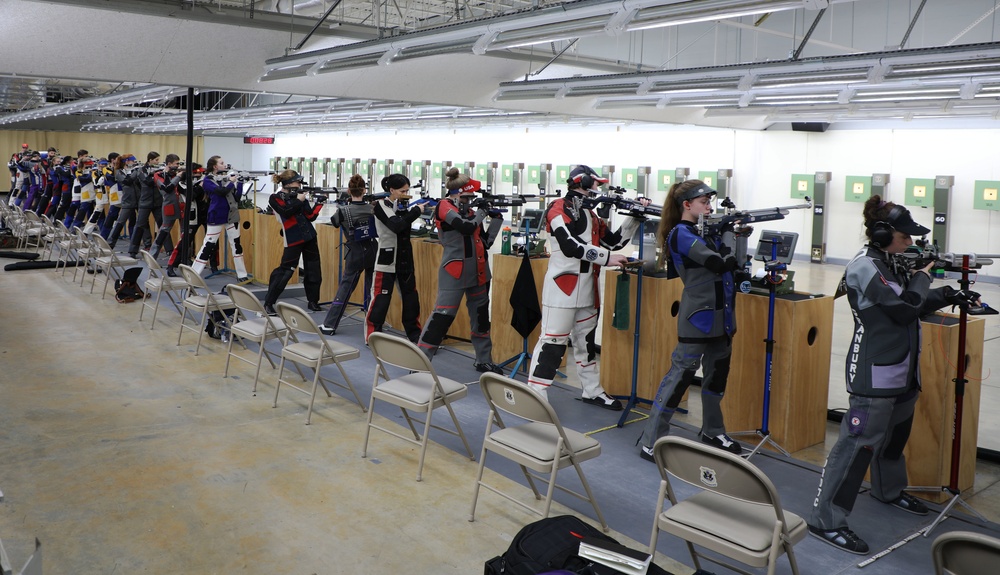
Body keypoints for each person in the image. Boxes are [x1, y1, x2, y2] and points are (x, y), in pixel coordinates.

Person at [808, 196, 967, 554]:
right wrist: (924, 277)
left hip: (902, 371)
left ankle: (889, 490)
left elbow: (910, 300)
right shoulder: (865, 266)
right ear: (882, 234)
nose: (910, 242)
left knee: (893, 441)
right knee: (856, 446)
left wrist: (946, 293)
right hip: (875, 373)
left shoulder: (889, 261)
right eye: (905, 237)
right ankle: (825, 519)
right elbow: (903, 309)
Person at [638, 180, 743, 460]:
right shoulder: (681, 234)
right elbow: (720, 263)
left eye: (710, 202)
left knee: (716, 379)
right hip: (697, 318)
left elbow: (735, 264)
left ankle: (713, 430)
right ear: (687, 205)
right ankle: (652, 440)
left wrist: (729, 237)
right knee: (679, 379)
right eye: (704, 202)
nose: (709, 207)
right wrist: (729, 237)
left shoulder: (703, 232)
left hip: (723, 317)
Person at [526, 164, 643, 410]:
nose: (598, 188)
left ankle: (592, 390)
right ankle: (535, 393)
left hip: (588, 289)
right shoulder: (557, 208)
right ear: (582, 182)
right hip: (563, 288)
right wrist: (605, 257)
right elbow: (570, 245)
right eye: (596, 184)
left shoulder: (591, 214)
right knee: (552, 343)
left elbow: (615, 243)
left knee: (586, 344)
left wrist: (634, 216)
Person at [415, 167, 504, 372]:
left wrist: (496, 218)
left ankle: (483, 359)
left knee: (481, 318)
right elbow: (465, 227)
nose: (470, 199)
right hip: (454, 273)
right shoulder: (444, 206)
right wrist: (482, 212)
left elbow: (485, 242)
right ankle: (420, 361)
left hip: (479, 272)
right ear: (457, 193)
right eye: (467, 196)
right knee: (441, 318)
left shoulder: (471, 212)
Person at [365, 173, 422, 343]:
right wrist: (417, 211)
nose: (406, 193)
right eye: (402, 191)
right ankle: (372, 335)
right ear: (391, 190)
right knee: (381, 299)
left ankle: (414, 335)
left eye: (407, 190)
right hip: (387, 260)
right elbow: (396, 225)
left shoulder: (402, 206)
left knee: (411, 300)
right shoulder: (380, 205)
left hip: (405, 259)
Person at [319, 174, 377, 336]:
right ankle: (373, 326)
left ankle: (329, 325)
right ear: (364, 190)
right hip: (373, 249)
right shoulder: (373, 208)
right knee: (373, 289)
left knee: (345, 289)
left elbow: (335, 222)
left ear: (348, 191)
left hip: (355, 252)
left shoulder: (343, 211)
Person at [262, 170, 324, 316]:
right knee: (285, 271)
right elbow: (286, 211)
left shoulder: (298, 196)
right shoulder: (275, 198)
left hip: (309, 237)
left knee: (313, 270)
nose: (300, 185)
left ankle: (313, 301)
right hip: (293, 238)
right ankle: (269, 302)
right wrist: (299, 200)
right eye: (298, 182)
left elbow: (310, 216)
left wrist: (319, 203)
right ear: (289, 184)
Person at [190, 155, 249, 282]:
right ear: (215, 166)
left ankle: (242, 275)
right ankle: (194, 275)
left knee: (237, 246)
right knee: (208, 246)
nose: (225, 164)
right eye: (222, 163)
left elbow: (237, 197)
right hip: (216, 216)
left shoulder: (225, 179)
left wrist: (240, 182)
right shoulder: (207, 180)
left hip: (231, 216)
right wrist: (231, 181)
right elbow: (221, 191)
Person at [149, 154, 184, 259]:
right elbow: (167, 188)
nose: (178, 166)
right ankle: (152, 256)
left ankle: (181, 258)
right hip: (170, 207)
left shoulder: (178, 174)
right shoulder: (159, 175)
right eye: (176, 164)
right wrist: (178, 176)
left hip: (182, 206)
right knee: (163, 232)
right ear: (169, 164)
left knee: (185, 234)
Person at [128, 152, 161, 258]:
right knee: (140, 225)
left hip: (157, 201)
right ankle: (133, 250)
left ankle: (169, 250)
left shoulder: (160, 169)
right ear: (150, 160)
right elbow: (146, 182)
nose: (158, 162)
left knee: (163, 226)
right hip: (145, 202)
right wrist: (155, 175)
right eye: (156, 160)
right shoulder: (141, 170)